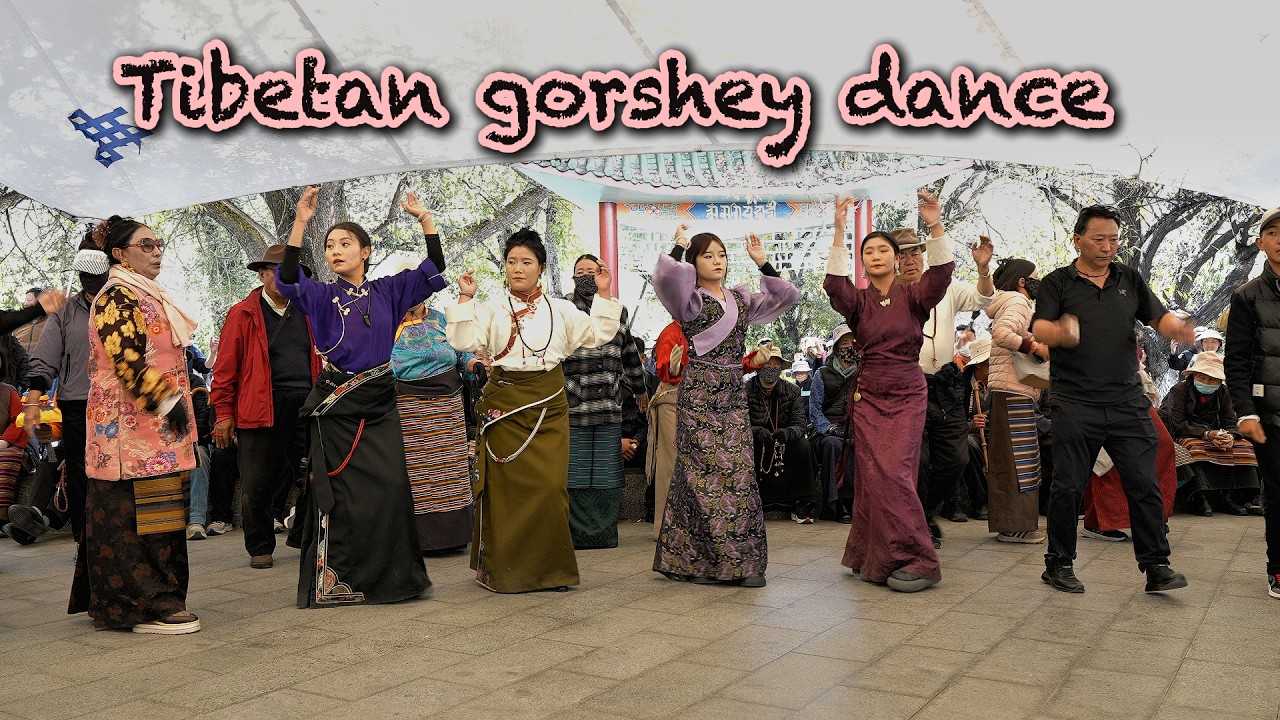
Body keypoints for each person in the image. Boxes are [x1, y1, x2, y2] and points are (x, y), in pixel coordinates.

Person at [275, 186, 440, 607]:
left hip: (381, 402)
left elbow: (435, 265)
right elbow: (289, 277)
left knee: (390, 487)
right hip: (339, 407)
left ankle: (393, 579)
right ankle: (339, 581)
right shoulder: (321, 295)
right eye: (330, 245)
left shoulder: (389, 290)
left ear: (365, 251)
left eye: (345, 243)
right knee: (344, 497)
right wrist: (300, 223)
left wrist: (425, 219)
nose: (335, 251)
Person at [446, 229, 622, 592]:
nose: (518, 269)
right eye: (512, 262)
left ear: (541, 268)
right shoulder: (491, 308)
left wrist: (603, 292)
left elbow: (598, 334)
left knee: (551, 488)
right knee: (507, 492)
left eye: (526, 262)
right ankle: (504, 570)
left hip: (549, 406)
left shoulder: (561, 309)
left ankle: (551, 571)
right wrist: (465, 298)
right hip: (505, 404)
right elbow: (462, 341)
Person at [1032, 205, 1194, 594]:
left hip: (1127, 401)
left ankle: (1156, 565)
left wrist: (1177, 327)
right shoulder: (1058, 283)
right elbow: (1038, 328)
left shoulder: (1129, 279)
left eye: (1114, 240)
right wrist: (1059, 331)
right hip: (1074, 400)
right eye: (1099, 239)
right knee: (1068, 485)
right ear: (1078, 239)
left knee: (1144, 482)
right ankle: (1058, 563)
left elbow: (1159, 318)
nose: (1108, 247)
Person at [652, 224, 799, 587]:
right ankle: (696, 562)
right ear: (694, 262)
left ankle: (741, 563)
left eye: (722, 255)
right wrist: (676, 245)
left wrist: (763, 263)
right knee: (699, 477)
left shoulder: (741, 298)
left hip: (732, 395)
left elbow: (787, 296)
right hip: (699, 395)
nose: (717, 261)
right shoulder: (689, 300)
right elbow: (664, 277)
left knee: (739, 473)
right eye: (707, 255)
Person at [824, 192, 954, 593]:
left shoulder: (915, 296)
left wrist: (934, 225)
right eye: (869, 251)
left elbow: (943, 272)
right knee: (872, 477)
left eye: (884, 249)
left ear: (897, 258)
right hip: (868, 396)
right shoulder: (858, 303)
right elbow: (833, 284)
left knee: (895, 474)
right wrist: (840, 231)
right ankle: (870, 553)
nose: (876, 255)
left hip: (907, 394)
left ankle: (918, 559)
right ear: (862, 261)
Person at [76, 216, 201, 634]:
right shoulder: (115, 297)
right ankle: (144, 605)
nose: (157, 251)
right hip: (126, 433)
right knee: (134, 521)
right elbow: (127, 361)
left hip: (155, 429)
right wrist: (171, 401)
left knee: (162, 515)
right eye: (146, 245)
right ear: (119, 254)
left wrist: (173, 406)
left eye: (159, 243)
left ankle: (163, 598)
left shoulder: (149, 295)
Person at [211, 245, 322, 568]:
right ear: (262, 276)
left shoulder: (308, 310)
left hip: (306, 405)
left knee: (314, 476)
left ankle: (303, 533)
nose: (286, 278)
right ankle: (260, 545)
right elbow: (225, 369)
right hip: (260, 406)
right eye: (278, 271)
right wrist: (224, 414)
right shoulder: (243, 312)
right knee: (256, 482)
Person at [3, 244, 106, 544]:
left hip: (116, 403)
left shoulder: (123, 304)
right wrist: (33, 400)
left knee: (110, 471)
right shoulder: (65, 311)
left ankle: (109, 536)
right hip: (76, 400)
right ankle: (83, 540)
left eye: (95, 275)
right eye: (84, 275)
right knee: (77, 469)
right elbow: (45, 357)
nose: (89, 282)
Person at [896, 225, 994, 538]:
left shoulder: (945, 286)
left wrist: (982, 268)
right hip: (904, 385)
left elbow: (983, 297)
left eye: (915, 251)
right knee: (917, 459)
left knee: (956, 457)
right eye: (902, 253)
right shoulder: (886, 293)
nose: (910, 259)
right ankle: (919, 522)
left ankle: (923, 511)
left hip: (944, 384)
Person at [562, 253, 649, 549]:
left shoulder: (617, 309)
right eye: (581, 271)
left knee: (606, 472)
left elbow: (629, 353)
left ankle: (603, 535)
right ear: (573, 277)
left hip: (609, 403)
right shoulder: (562, 308)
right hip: (573, 402)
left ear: (603, 273)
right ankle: (575, 535)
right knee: (574, 471)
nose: (587, 274)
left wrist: (640, 390)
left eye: (593, 270)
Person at [391, 298, 483, 553]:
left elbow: (463, 354)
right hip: (407, 407)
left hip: (448, 406)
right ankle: (422, 539)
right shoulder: (387, 323)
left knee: (449, 470)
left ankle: (453, 536)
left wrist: (475, 365)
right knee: (419, 472)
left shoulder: (442, 319)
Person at [1224, 204, 1280, 598]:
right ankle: (1278, 568)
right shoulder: (1246, 296)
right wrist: (1245, 411)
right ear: (1261, 243)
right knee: (1277, 492)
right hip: (1269, 416)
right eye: (1273, 233)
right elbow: (1236, 361)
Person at [983, 258, 1049, 543]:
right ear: (1022, 281)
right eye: (1035, 276)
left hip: (1006, 390)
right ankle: (1016, 527)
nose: (1039, 281)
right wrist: (1034, 346)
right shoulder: (1019, 303)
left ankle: (1014, 523)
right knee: (1018, 461)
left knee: (1010, 460)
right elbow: (1001, 334)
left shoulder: (1006, 302)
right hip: (1014, 392)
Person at [1161, 353, 1258, 515]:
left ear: (1220, 381)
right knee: (1194, 448)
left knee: (1244, 447)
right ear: (1193, 375)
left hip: (1215, 432)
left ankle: (1232, 496)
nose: (1207, 382)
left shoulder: (1223, 392)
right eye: (1203, 377)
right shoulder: (1180, 390)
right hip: (1187, 432)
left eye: (1213, 379)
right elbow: (1177, 424)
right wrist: (1207, 434)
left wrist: (1229, 436)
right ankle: (1200, 497)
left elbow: (1230, 420)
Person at [746, 343, 819, 523]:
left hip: (784, 439)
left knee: (804, 446)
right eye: (767, 364)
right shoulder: (746, 390)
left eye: (775, 365)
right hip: (757, 439)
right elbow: (740, 422)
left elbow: (801, 424)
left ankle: (801, 503)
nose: (771, 368)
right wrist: (757, 431)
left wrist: (787, 433)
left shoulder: (792, 390)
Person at [809, 323, 859, 523]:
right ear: (837, 348)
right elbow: (814, 410)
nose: (849, 347)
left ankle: (862, 502)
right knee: (834, 444)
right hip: (828, 429)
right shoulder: (821, 374)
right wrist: (829, 428)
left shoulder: (865, 372)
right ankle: (837, 503)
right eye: (845, 343)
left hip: (856, 427)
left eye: (853, 343)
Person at [646, 320, 688, 540]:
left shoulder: (710, 328)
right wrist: (671, 369)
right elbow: (664, 368)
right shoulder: (671, 332)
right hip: (673, 399)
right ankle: (665, 525)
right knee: (671, 462)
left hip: (704, 402)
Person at [10, 287, 47, 358]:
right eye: (25, 300)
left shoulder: (51, 321)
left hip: (41, 365)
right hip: (19, 365)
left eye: (29, 300)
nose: (26, 304)